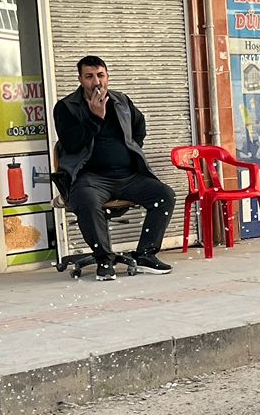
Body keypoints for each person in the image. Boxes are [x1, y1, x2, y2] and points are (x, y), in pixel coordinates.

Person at [52, 55, 175, 279]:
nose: (96, 82)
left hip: (128, 176)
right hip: (90, 178)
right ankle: (104, 258)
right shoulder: (66, 107)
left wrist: (131, 148)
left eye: (100, 75)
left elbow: (139, 126)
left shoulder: (121, 100)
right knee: (87, 201)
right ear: (80, 79)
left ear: (107, 76)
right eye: (89, 77)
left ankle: (145, 254)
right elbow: (70, 144)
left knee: (164, 195)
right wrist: (95, 118)